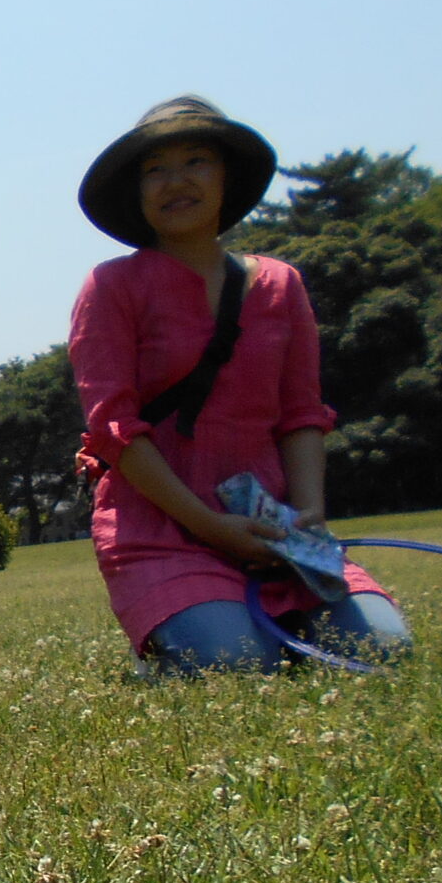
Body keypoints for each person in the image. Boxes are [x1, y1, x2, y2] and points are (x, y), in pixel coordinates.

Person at [68, 97, 409, 674]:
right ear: (136, 190)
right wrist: (210, 527)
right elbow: (115, 429)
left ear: (227, 177)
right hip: (162, 528)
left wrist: (307, 516)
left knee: (381, 651)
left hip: (270, 523)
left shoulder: (281, 284)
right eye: (155, 169)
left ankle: (257, 625)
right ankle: (180, 635)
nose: (176, 181)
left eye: (196, 161)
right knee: (235, 663)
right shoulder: (111, 287)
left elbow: (301, 412)